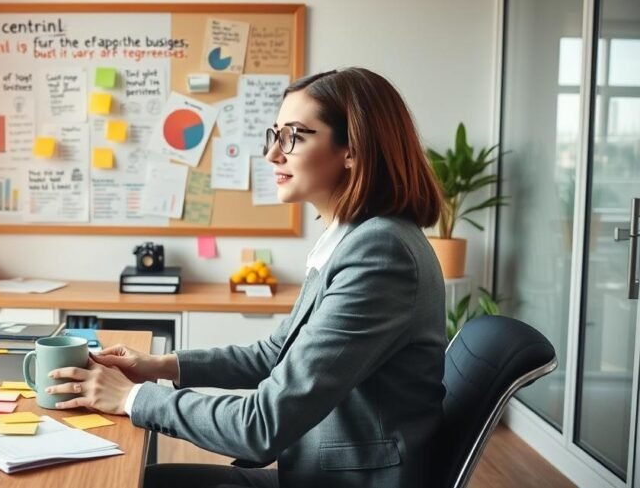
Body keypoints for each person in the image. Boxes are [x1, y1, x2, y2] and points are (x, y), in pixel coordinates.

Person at [46, 67, 447, 488]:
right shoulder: (354, 238)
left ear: (353, 149)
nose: (274, 154)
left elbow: (262, 426)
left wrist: (131, 397)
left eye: (294, 136)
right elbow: (278, 354)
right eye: (274, 136)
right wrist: (158, 366)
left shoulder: (380, 254)